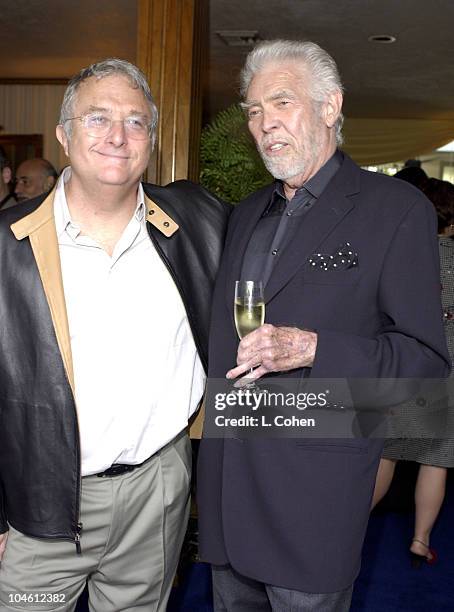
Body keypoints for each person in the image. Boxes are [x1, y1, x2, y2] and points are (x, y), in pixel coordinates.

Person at [197, 39, 450, 612]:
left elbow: (425, 365)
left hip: (312, 504)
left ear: (331, 106)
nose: (264, 124)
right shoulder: (243, 214)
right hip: (228, 496)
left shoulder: (395, 209)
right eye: (254, 111)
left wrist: (313, 347)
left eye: (281, 103)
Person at [0, 58, 229, 611]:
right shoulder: (6, 246)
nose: (118, 137)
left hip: (158, 490)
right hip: (38, 507)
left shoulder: (198, 222)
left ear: (151, 137)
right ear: (63, 134)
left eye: (135, 122)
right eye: (97, 118)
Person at [373, 178, 454, 566]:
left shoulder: (404, 254)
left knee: (385, 453)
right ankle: (421, 540)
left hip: (405, 364)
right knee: (435, 460)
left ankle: (348, 522)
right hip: (447, 371)